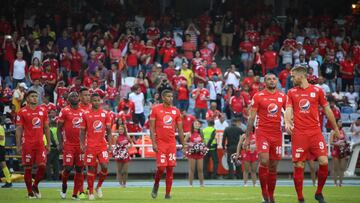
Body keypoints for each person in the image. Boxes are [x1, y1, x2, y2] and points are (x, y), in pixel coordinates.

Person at [285, 66, 340, 203]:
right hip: (299, 134)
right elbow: (288, 110)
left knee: (324, 161)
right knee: (299, 165)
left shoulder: (318, 91)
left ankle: (319, 193)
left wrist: (336, 129)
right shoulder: (291, 92)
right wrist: (287, 123)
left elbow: (328, 111)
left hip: (316, 133)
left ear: (301, 76)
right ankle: (300, 198)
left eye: (293, 76)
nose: (291, 79)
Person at [244, 73, 286, 203]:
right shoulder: (258, 96)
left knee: (273, 166)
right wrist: (247, 137)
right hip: (262, 132)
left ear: (277, 81)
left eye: (274, 79)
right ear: (264, 82)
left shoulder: (282, 97)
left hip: (277, 134)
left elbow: (289, 114)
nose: (272, 81)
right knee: (264, 161)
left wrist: (291, 124)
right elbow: (251, 117)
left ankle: (271, 195)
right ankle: (264, 193)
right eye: (269, 79)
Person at [150, 89, 185, 199]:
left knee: (170, 168)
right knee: (161, 167)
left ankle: (167, 193)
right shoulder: (155, 109)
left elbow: (180, 130)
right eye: (168, 96)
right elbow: (151, 128)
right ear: (163, 97)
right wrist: (154, 143)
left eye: (172, 96)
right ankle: (156, 185)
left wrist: (183, 144)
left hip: (171, 144)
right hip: (160, 143)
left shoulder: (176, 111)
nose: (171, 98)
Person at [16, 90, 51, 198]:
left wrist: (49, 143)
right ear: (27, 99)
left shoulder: (43, 110)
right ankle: (30, 192)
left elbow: (46, 128)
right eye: (32, 96)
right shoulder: (22, 112)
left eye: (36, 96)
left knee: (42, 166)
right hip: (27, 144)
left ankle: (35, 185)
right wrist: (18, 145)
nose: (35, 98)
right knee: (28, 168)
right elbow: (19, 129)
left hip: (40, 144)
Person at [80, 93, 113, 200]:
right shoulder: (85, 114)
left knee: (104, 166)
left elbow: (109, 131)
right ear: (91, 102)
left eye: (98, 100)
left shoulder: (105, 114)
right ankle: (90, 192)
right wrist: (82, 143)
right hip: (90, 145)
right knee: (91, 168)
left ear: (101, 101)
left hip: (102, 145)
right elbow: (82, 131)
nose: (97, 102)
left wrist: (110, 144)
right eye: (94, 100)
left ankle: (98, 186)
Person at [58, 92, 86, 200]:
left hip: (80, 145)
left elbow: (86, 129)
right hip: (68, 144)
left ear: (79, 98)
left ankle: (75, 194)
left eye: (76, 95)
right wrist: (60, 143)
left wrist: (85, 143)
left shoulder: (83, 112)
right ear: (68, 99)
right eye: (72, 96)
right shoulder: (64, 111)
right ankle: (64, 186)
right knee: (68, 168)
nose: (74, 97)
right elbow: (59, 128)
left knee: (79, 169)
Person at [113, 120, 134, 187]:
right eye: (119, 129)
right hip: (119, 155)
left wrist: (129, 147)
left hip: (125, 154)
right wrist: (117, 152)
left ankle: (124, 183)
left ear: (124, 130)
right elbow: (115, 146)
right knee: (119, 170)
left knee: (125, 171)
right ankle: (120, 184)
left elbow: (131, 143)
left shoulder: (127, 136)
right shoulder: (116, 137)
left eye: (122, 129)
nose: (120, 130)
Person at [185, 119, 205, 187]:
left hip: (199, 153)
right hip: (192, 152)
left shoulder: (201, 133)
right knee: (192, 169)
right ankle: (190, 184)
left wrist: (202, 147)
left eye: (198, 124)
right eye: (195, 124)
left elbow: (203, 142)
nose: (197, 125)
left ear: (200, 125)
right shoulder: (189, 133)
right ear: (193, 125)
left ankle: (201, 184)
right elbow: (184, 142)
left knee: (200, 169)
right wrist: (190, 144)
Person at [330, 120, 349, 187]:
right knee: (335, 168)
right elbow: (330, 142)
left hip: (342, 150)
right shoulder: (333, 131)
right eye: (339, 122)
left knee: (342, 168)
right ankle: (335, 183)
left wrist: (345, 143)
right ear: (336, 123)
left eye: (341, 122)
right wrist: (337, 143)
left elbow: (346, 140)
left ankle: (341, 183)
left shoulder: (343, 131)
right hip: (336, 150)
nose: (341, 123)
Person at [0, 117, 12, 188]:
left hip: (0, 147)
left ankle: (9, 181)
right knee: (3, 164)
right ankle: (8, 181)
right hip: (1, 147)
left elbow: (1, 137)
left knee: (3, 164)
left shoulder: (0, 128)